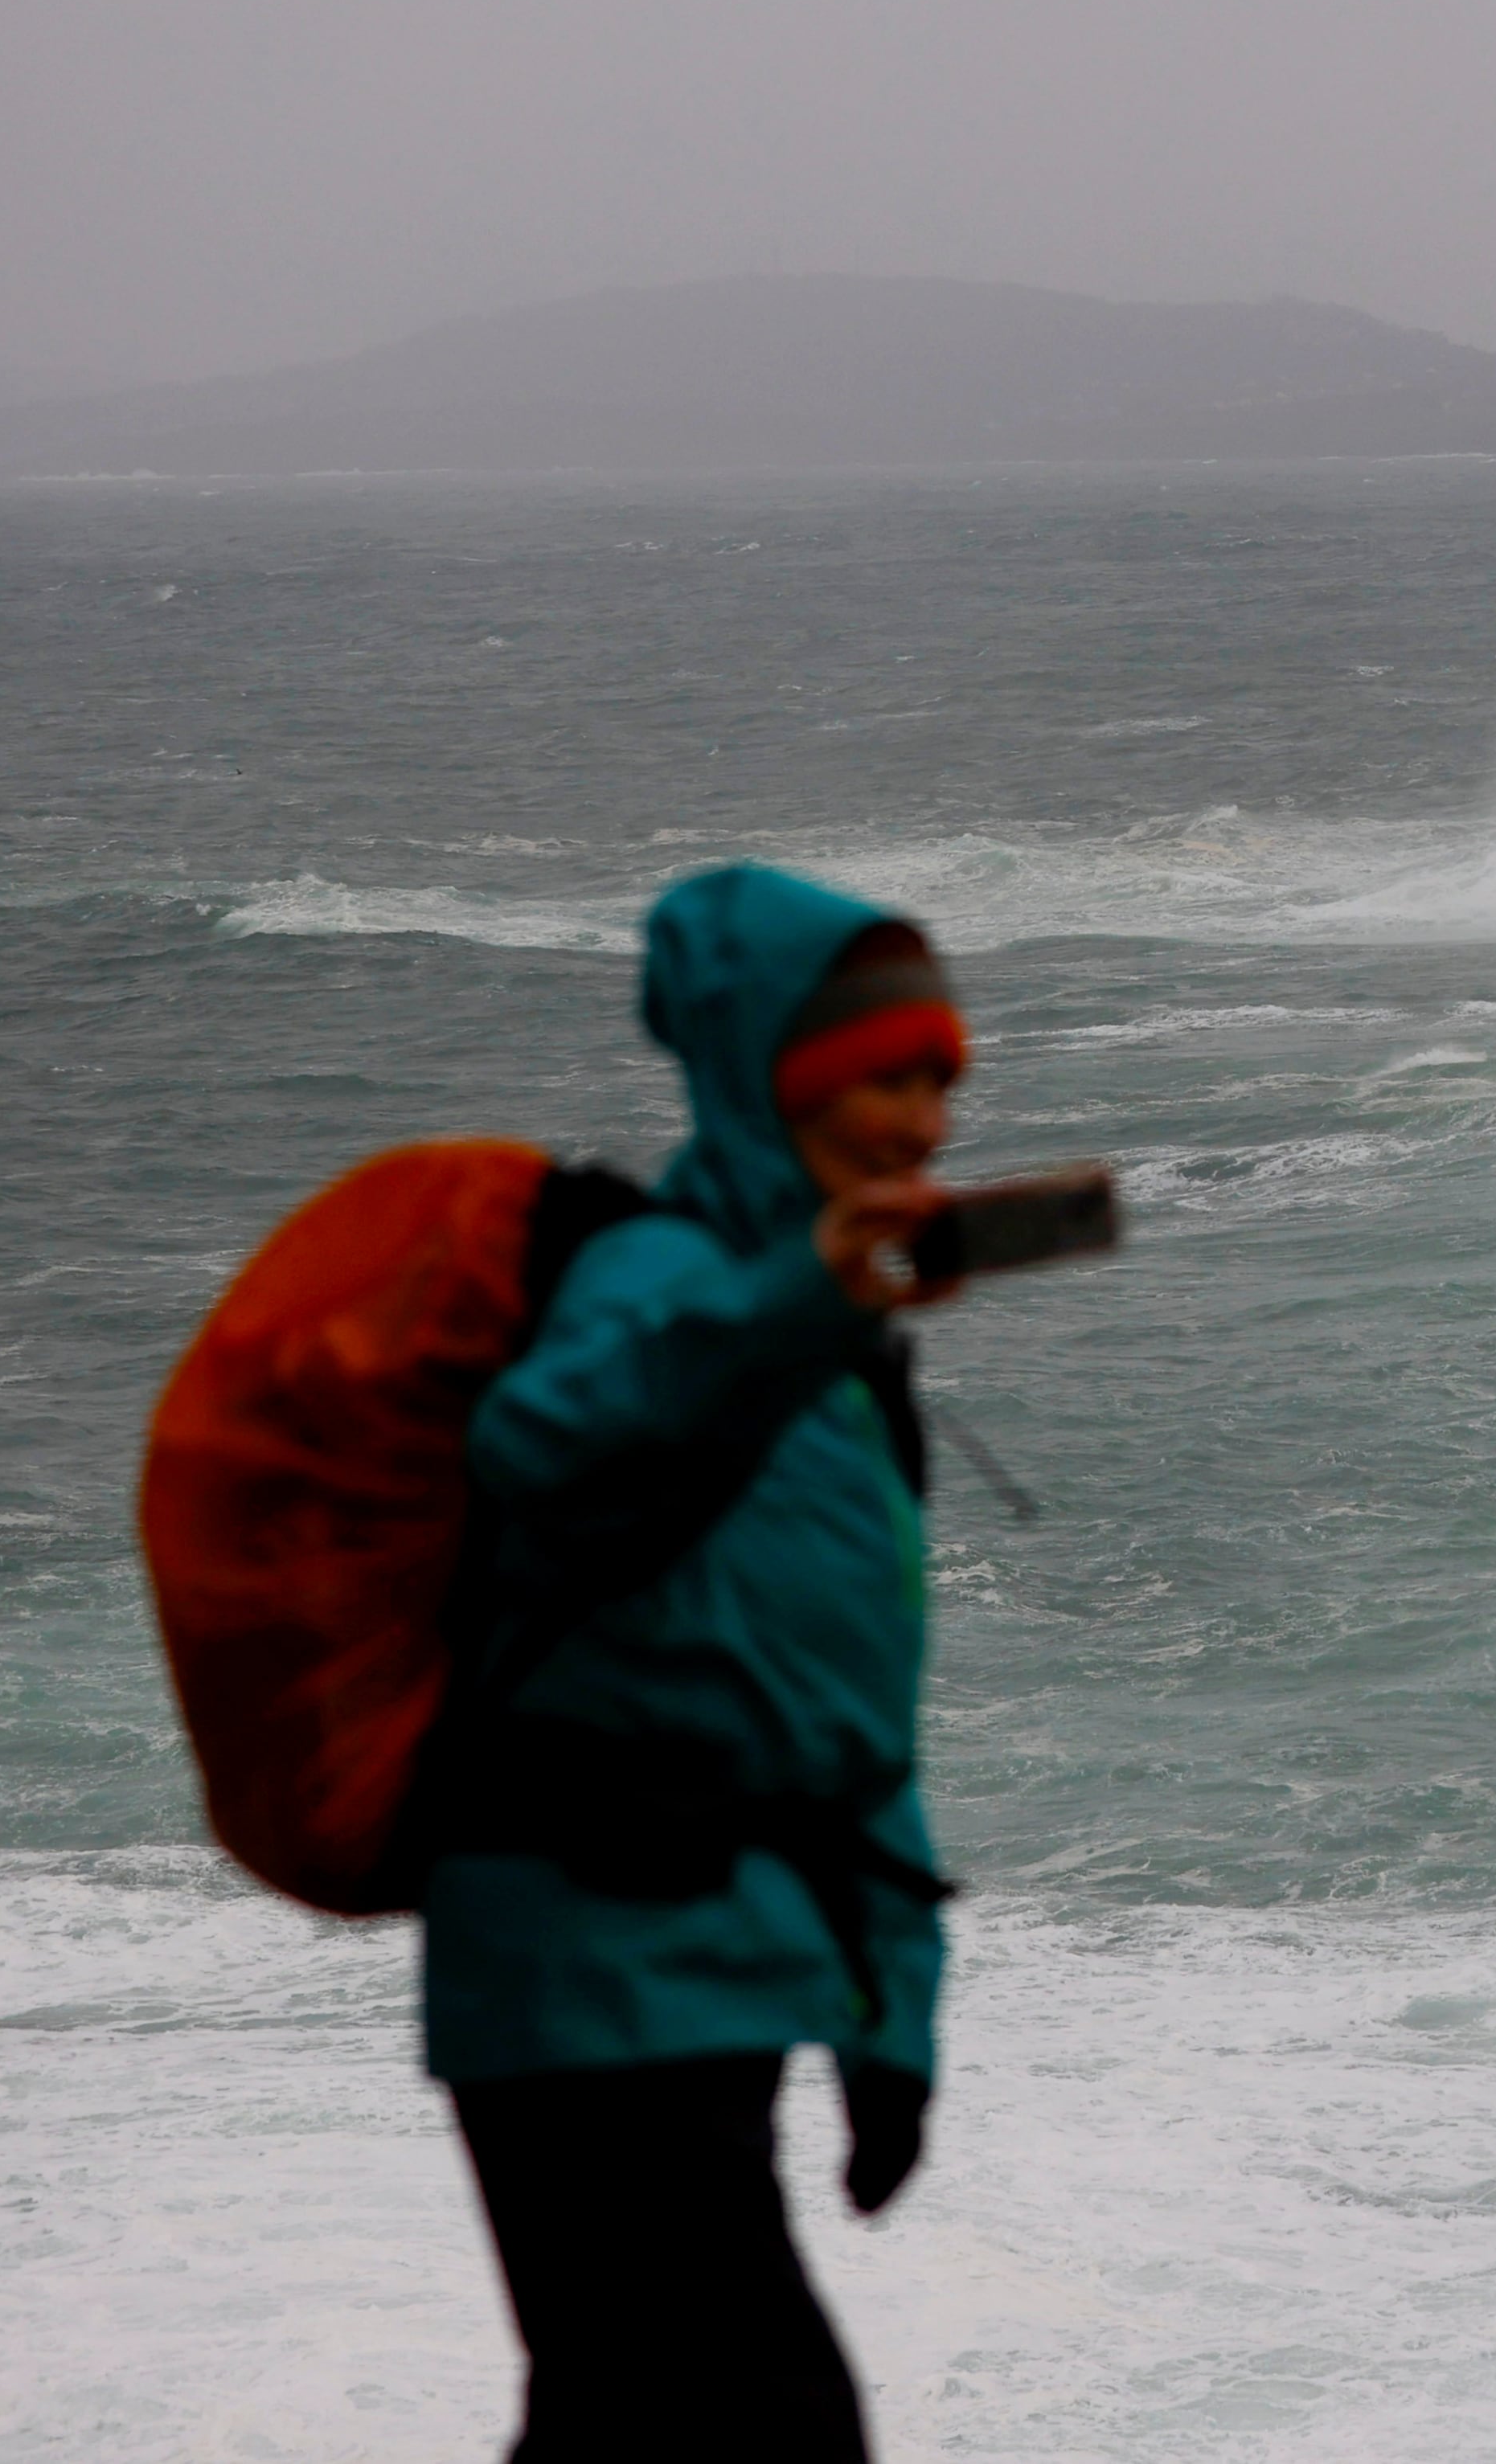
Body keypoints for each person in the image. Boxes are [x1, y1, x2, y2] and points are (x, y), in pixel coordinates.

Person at [417, 862, 978, 2462]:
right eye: (888, 1074)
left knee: (624, 2421)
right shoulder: (649, 1280)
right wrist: (800, 1295)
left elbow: (854, 1729)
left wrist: (894, 2025)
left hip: (712, 1970)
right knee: (768, 2423)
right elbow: (547, 1437)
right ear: (774, 1077)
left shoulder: (841, 1363)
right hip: (579, 1954)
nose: (928, 1122)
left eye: (942, 1077)